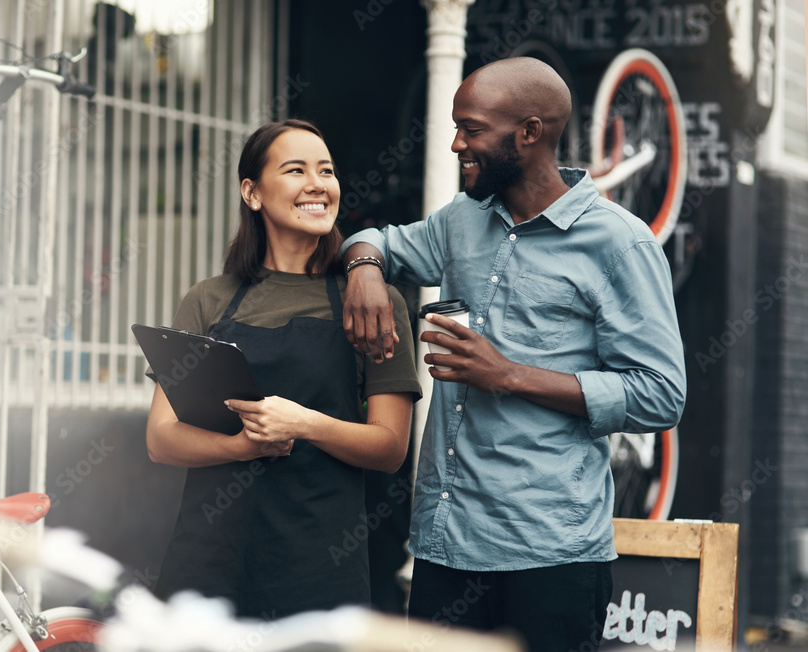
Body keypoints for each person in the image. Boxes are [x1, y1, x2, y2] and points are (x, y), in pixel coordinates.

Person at [339, 58, 687, 651]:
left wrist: (508, 376)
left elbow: (661, 393)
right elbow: (379, 242)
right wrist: (366, 269)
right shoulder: (461, 220)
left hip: (551, 558)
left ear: (528, 132)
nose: (455, 144)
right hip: (444, 547)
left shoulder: (621, 243)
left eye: (471, 129)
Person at [146, 119, 422, 619]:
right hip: (210, 559)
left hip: (318, 567)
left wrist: (304, 423)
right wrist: (240, 446)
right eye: (296, 170)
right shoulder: (209, 300)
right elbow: (162, 439)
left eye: (327, 171)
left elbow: (390, 448)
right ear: (252, 192)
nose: (318, 184)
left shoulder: (375, 304)